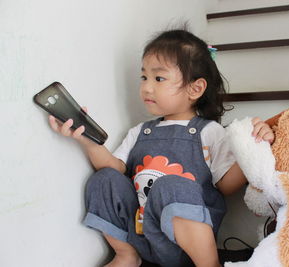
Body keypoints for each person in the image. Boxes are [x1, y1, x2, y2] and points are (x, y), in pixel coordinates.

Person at [48, 28, 274, 267]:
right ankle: (126, 255)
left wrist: (253, 148)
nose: (146, 87)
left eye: (159, 78)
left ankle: (209, 264)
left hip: (185, 244)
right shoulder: (140, 131)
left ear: (195, 89)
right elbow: (114, 167)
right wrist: (84, 138)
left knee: (172, 186)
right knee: (103, 179)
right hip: (141, 234)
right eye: (144, 77)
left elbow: (226, 185)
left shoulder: (209, 132)